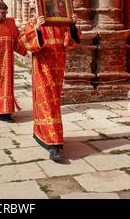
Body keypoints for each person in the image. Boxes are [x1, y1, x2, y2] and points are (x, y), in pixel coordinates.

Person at [19, 12, 81, 161]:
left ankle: (41, 132)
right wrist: (37, 30)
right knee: (48, 103)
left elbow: (72, 43)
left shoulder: (62, 23)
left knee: (53, 104)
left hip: (58, 69)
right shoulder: (35, 21)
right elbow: (23, 41)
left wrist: (72, 26)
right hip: (42, 69)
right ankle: (54, 144)